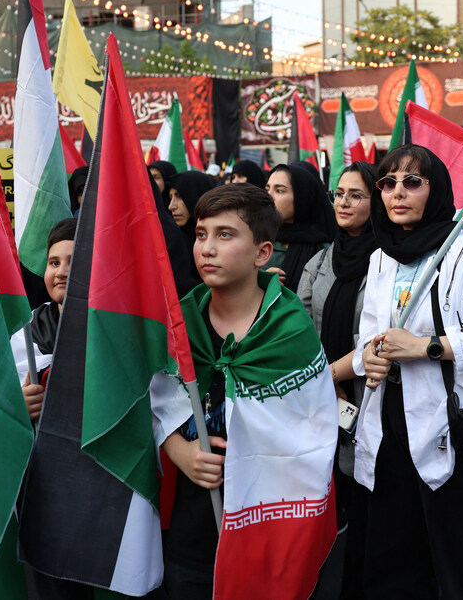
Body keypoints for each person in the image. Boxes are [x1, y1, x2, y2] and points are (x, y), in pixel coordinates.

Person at [351, 145, 463, 599]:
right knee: (393, 561)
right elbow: (371, 337)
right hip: (387, 422)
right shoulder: (379, 257)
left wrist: (429, 347)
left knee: (458, 563)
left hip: (448, 425)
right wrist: (370, 356)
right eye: (387, 183)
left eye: (413, 182)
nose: (397, 193)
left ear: (437, 190)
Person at [155, 183, 338, 599]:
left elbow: (314, 433)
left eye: (225, 235)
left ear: (262, 253)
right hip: (192, 528)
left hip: (270, 526)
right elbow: (154, 400)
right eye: (201, 234)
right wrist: (178, 450)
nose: (207, 248)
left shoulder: (289, 330)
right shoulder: (180, 325)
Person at [296, 161, 378, 594]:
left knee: (366, 484)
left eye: (356, 195)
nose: (343, 202)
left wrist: (340, 374)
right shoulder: (322, 258)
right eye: (338, 194)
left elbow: (383, 333)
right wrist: (321, 375)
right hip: (322, 386)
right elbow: (303, 321)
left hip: (373, 387)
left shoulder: (389, 259)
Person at [22, 218, 76, 423]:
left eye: (74, 262)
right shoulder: (28, 329)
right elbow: (0, 399)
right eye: (54, 262)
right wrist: (20, 405)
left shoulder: (110, 327)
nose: (61, 272)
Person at [264, 163, 336, 291]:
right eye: (267, 189)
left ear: (301, 197)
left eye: (279, 190)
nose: (269, 196)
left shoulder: (324, 251)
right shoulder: (257, 242)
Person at [167, 171, 214, 286]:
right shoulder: (172, 241)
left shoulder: (222, 241)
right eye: (170, 197)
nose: (171, 206)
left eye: (179, 196)